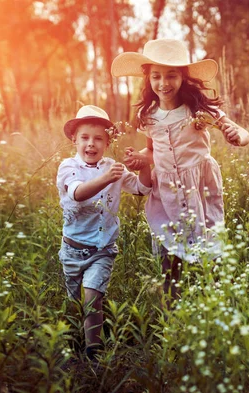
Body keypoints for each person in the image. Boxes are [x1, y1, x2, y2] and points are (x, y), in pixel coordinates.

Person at [111, 38, 249, 307]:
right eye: (157, 76)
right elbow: (153, 152)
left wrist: (237, 135)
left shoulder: (199, 109)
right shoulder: (148, 116)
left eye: (171, 75)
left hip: (198, 187)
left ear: (183, 77)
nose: (164, 82)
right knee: (169, 252)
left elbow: (243, 133)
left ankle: (214, 304)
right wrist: (139, 159)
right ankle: (172, 312)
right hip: (167, 192)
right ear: (148, 78)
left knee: (208, 247)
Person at [56, 105, 151, 360]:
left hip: (102, 249)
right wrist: (107, 178)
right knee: (76, 303)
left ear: (108, 142)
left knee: (92, 299)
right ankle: (73, 341)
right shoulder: (68, 167)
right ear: (74, 140)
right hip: (72, 250)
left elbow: (143, 187)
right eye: (85, 138)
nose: (91, 144)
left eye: (99, 138)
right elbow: (77, 193)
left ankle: (94, 352)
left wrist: (143, 163)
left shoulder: (113, 167)